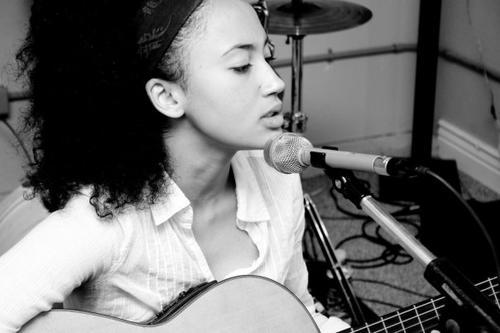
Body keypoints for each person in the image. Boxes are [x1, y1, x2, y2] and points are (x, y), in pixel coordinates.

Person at [0, 0, 350, 332]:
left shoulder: (278, 177)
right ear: (167, 96)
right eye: (242, 65)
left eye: (268, 57)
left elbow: (297, 311)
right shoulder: (105, 222)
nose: (276, 82)